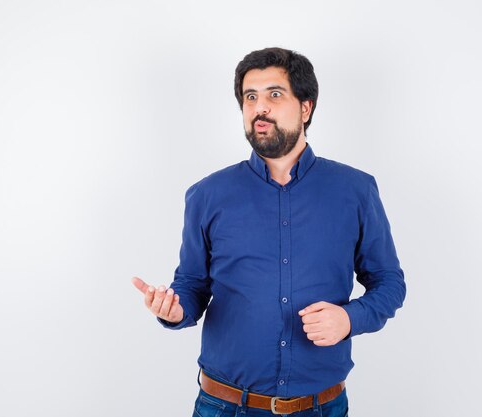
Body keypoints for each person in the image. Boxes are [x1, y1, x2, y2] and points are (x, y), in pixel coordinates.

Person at [132, 47, 406, 416]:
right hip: (224, 406)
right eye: (250, 97)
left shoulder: (355, 190)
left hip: (321, 407)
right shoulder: (207, 195)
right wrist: (174, 309)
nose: (260, 108)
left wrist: (349, 319)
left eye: (274, 95)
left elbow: (389, 281)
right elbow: (192, 286)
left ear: (305, 108)